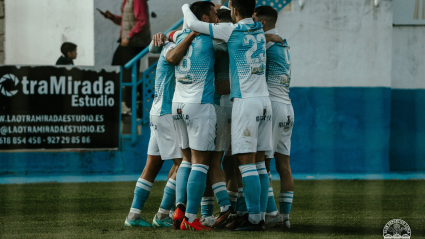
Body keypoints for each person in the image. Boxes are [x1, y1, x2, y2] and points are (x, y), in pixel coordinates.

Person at [182, 0, 272, 231]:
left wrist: (185, 5)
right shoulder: (261, 30)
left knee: (245, 162)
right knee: (260, 163)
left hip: (246, 102)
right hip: (265, 101)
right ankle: (258, 214)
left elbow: (192, 22)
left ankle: (253, 219)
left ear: (233, 10)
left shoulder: (231, 30)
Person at [169, 1, 232, 231]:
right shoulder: (212, 39)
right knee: (201, 164)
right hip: (200, 105)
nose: (217, 18)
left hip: (178, 105)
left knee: (186, 160)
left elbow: (168, 54)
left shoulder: (178, 38)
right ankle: (192, 218)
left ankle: (179, 208)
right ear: (205, 18)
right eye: (215, 14)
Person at [123, 31, 193, 228]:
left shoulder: (170, 45)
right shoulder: (173, 48)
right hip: (165, 113)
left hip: (159, 111)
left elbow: (154, 48)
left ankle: (134, 215)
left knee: (153, 165)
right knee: (186, 163)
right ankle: (164, 214)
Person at [253, 6, 294, 229]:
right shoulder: (283, 42)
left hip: (274, 107)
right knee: (284, 165)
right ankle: (285, 218)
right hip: (288, 107)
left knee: (263, 163)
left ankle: (271, 215)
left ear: (263, 23)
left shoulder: (267, 43)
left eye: (254, 21)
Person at [102, 0, 151, 115]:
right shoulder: (127, 1)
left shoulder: (137, 0)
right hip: (129, 42)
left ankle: (133, 104)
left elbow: (142, 21)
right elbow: (126, 21)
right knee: (121, 68)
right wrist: (112, 17)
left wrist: (129, 36)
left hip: (135, 42)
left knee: (128, 74)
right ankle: (137, 97)